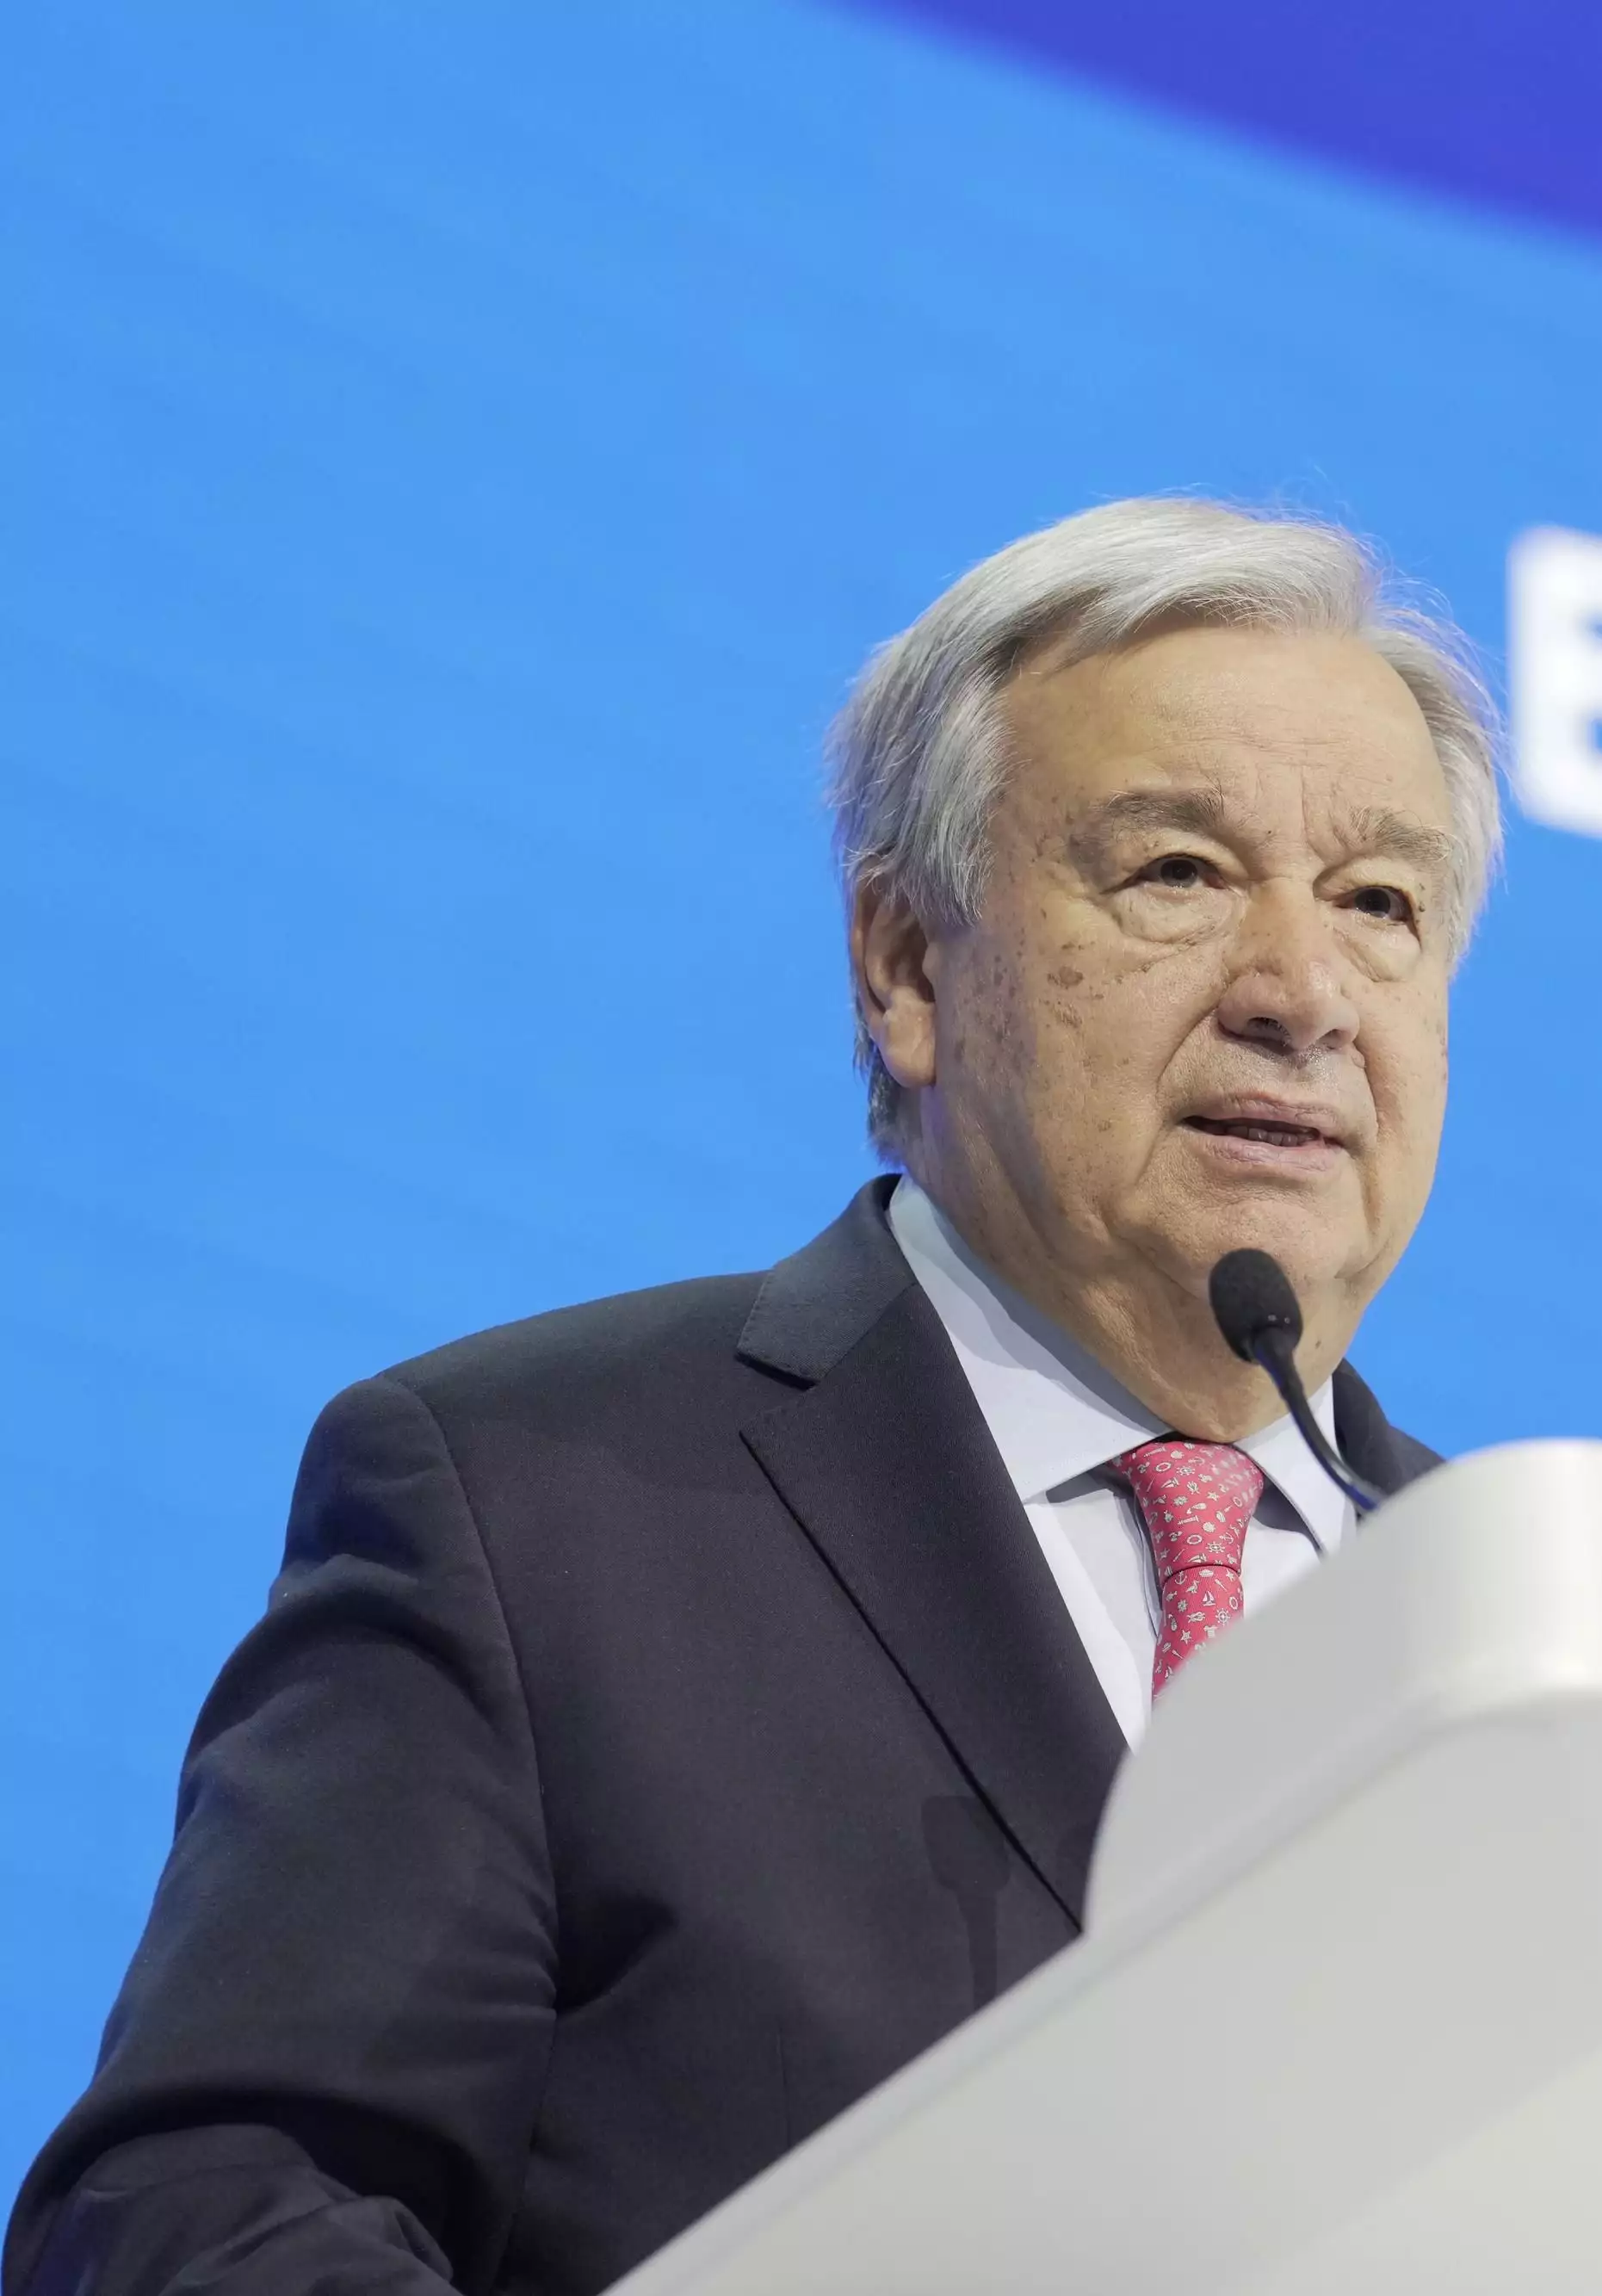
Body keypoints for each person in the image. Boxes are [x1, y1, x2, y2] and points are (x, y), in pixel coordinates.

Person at [5, 499, 1498, 2296]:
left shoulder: (1527, 1638)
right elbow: (198, 2224)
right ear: (908, 965)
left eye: (1380, 904)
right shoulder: (528, 1507)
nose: (1303, 993)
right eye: (1178, 872)